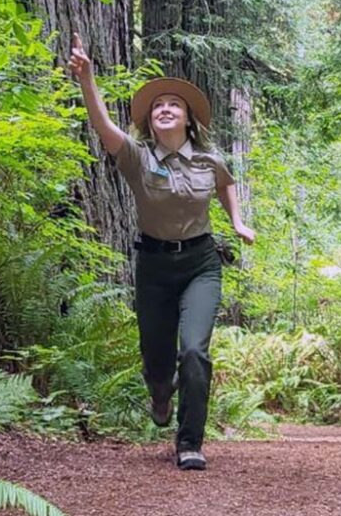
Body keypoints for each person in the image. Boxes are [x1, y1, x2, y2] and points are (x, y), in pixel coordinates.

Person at [68, 32, 255, 471]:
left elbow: (226, 185)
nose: (165, 108)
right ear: (150, 122)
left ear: (188, 119)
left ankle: (189, 442)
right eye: (157, 106)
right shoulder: (137, 157)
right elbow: (102, 126)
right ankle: (159, 390)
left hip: (200, 265)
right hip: (153, 266)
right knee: (157, 360)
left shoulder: (209, 160)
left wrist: (237, 221)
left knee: (194, 352)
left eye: (174, 104)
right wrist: (87, 79)